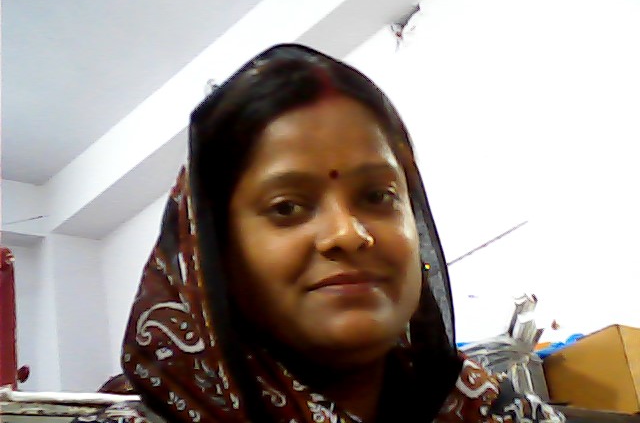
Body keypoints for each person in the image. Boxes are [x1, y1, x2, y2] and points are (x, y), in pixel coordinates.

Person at [78, 44, 564, 422]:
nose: (347, 234)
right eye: (287, 207)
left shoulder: (496, 412)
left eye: (377, 196)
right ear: (215, 254)